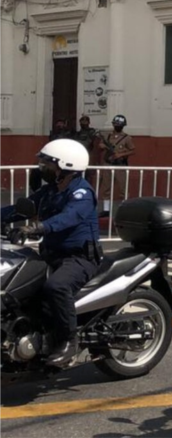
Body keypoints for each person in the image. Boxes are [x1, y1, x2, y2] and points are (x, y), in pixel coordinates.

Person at [0, 139, 102, 367]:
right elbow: (19, 209)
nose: (42, 168)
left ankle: (68, 343)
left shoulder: (82, 193)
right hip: (51, 254)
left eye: (47, 163)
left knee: (56, 287)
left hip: (79, 258)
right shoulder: (50, 191)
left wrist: (36, 227)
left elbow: (69, 217)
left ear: (65, 166)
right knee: (18, 287)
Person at [97, 115, 135, 215]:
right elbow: (100, 145)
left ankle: (124, 209)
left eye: (120, 125)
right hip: (108, 163)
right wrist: (103, 146)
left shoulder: (127, 138)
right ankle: (106, 209)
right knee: (106, 188)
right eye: (116, 124)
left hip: (120, 165)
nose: (117, 126)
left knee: (123, 189)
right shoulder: (108, 136)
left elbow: (132, 150)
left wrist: (120, 154)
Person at [30, 119, 74, 191]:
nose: (59, 125)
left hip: (64, 159)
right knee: (37, 171)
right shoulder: (53, 135)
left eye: (61, 124)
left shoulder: (69, 134)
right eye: (58, 124)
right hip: (53, 158)